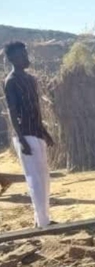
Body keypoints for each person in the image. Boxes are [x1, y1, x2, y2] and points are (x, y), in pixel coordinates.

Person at [3, 41, 54, 227]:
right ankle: (43, 222)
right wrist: (21, 139)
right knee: (34, 178)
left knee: (44, 177)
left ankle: (42, 219)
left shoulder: (31, 80)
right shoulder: (11, 81)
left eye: (26, 54)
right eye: (22, 55)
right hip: (25, 135)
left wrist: (45, 132)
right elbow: (13, 111)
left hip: (37, 132)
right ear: (13, 59)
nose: (26, 58)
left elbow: (35, 109)